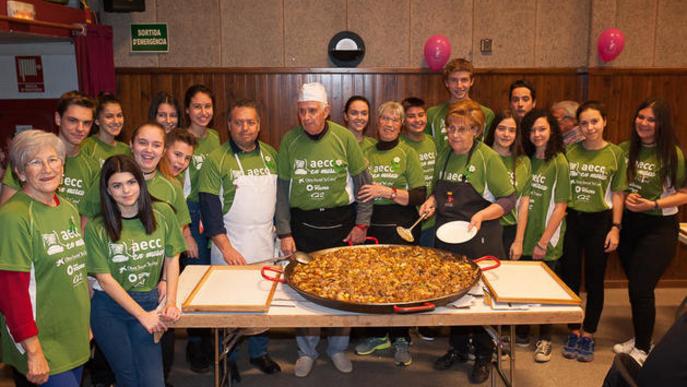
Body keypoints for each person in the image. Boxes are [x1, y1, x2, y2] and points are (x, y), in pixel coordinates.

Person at [276, 82, 372, 377]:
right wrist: (284, 231)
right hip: (303, 227)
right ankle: (307, 350)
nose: (307, 117)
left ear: (327, 111)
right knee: (304, 291)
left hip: (341, 225)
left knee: (342, 289)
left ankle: (337, 348)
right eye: (302, 111)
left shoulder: (345, 139)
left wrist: (361, 224)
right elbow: (281, 191)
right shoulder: (289, 141)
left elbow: (364, 185)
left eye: (313, 111)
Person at [420, 101, 515, 384]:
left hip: (480, 237)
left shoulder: (487, 158)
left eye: (462, 129)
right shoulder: (445, 155)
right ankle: (458, 349)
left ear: (475, 130)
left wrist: (482, 215)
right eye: (451, 128)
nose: (455, 135)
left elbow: (508, 201)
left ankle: (484, 356)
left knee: (480, 300)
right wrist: (430, 202)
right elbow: (438, 192)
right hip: (447, 237)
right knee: (452, 297)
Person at [198, 99, 281, 378]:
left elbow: (280, 199)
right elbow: (210, 210)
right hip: (231, 243)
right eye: (238, 122)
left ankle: (260, 353)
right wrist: (225, 247)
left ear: (258, 125)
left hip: (265, 241)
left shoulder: (271, 154)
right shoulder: (216, 159)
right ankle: (227, 356)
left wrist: (283, 235)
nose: (245, 128)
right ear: (229, 126)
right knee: (230, 304)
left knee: (263, 300)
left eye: (251, 122)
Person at [0, 130, 90, 386]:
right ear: (19, 172)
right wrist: (33, 350)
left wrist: (84, 324)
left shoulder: (68, 208)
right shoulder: (14, 216)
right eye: (35, 162)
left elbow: (76, 272)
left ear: (63, 166)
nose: (47, 168)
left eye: (53, 160)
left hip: (72, 335)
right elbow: (10, 291)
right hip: (40, 341)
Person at [86, 155, 184, 387]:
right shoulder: (96, 228)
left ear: (140, 183)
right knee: (128, 378)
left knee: (153, 381)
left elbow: (172, 257)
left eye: (131, 182)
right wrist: (143, 316)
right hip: (110, 309)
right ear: (108, 191)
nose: (126, 191)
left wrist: (170, 301)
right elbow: (104, 279)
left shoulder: (163, 213)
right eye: (117, 186)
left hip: (148, 301)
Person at [353, 101, 426, 367]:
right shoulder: (364, 150)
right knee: (373, 284)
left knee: (402, 287)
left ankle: (401, 338)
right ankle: (377, 335)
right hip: (371, 223)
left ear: (401, 125)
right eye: (385, 119)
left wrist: (387, 192)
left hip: (401, 227)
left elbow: (419, 194)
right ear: (378, 121)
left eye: (395, 120)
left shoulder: (408, 153)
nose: (389, 124)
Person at [615, 99, 687, 365]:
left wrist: (653, 203)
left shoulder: (672, 154)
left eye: (651, 119)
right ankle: (639, 336)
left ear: (661, 124)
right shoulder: (625, 149)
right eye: (640, 117)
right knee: (635, 287)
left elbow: (683, 195)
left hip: (659, 227)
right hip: (630, 226)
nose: (643, 123)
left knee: (642, 286)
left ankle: (644, 347)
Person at [559, 101, 627, 363]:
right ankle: (574, 329)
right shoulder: (570, 151)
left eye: (594, 121)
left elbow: (619, 193)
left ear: (604, 122)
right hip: (573, 221)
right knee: (571, 276)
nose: (589, 128)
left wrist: (616, 227)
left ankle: (589, 333)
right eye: (584, 123)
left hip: (600, 222)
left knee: (595, 280)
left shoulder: (615, 154)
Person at [519, 109, 570, 362]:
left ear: (551, 130)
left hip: (545, 238)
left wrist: (543, 241)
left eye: (542, 129)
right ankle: (523, 333)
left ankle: (545, 338)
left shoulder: (559, 160)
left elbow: (561, 207)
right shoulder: (526, 160)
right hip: (524, 236)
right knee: (524, 288)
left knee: (545, 291)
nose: (537, 134)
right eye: (531, 130)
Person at [1, 91, 100, 209]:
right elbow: (6, 211)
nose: (80, 128)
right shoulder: (28, 158)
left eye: (86, 123)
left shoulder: (92, 167)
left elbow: (90, 216)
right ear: (58, 119)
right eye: (72, 120)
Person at [181, 85, 222, 372]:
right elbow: (175, 188)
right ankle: (197, 343)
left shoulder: (216, 138)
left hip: (211, 210)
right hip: (188, 212)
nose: (203, 112)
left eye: (207, 106)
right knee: (194, 277)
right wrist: (185, 230)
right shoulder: (180, 139)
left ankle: (212, 338)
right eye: (197, 106)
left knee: (211, 277)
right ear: (187, 110)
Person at [484, 110, 531, 260]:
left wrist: (519, 241)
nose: (506, 134)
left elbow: (524, 204)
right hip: (484, 226)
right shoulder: (481, 156)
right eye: (501, 128)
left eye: (512, 130)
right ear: (493, 130)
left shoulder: (523, 162)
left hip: (510, 229)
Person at [426, 58, 495, 150]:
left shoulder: (486, 114)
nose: (459, 85)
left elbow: (488, 150)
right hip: (442, 163)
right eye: (454, 80)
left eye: (464, 80)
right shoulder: (432, 114)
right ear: (446, 83)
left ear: (472, 81)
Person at [401, 97, 437, 248]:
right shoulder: (399, 145)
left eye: (421, 115)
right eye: (411, 116)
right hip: (406, 217)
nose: (417, 120)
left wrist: (434, 200)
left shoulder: (433, 142)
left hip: (432, 217)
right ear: (403, 120)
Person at [81, 92, 130, 165]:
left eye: (119, 115)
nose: (116, 121)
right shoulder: (86, 147)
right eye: (109, 116)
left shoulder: (126, 149)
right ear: (97, 120)